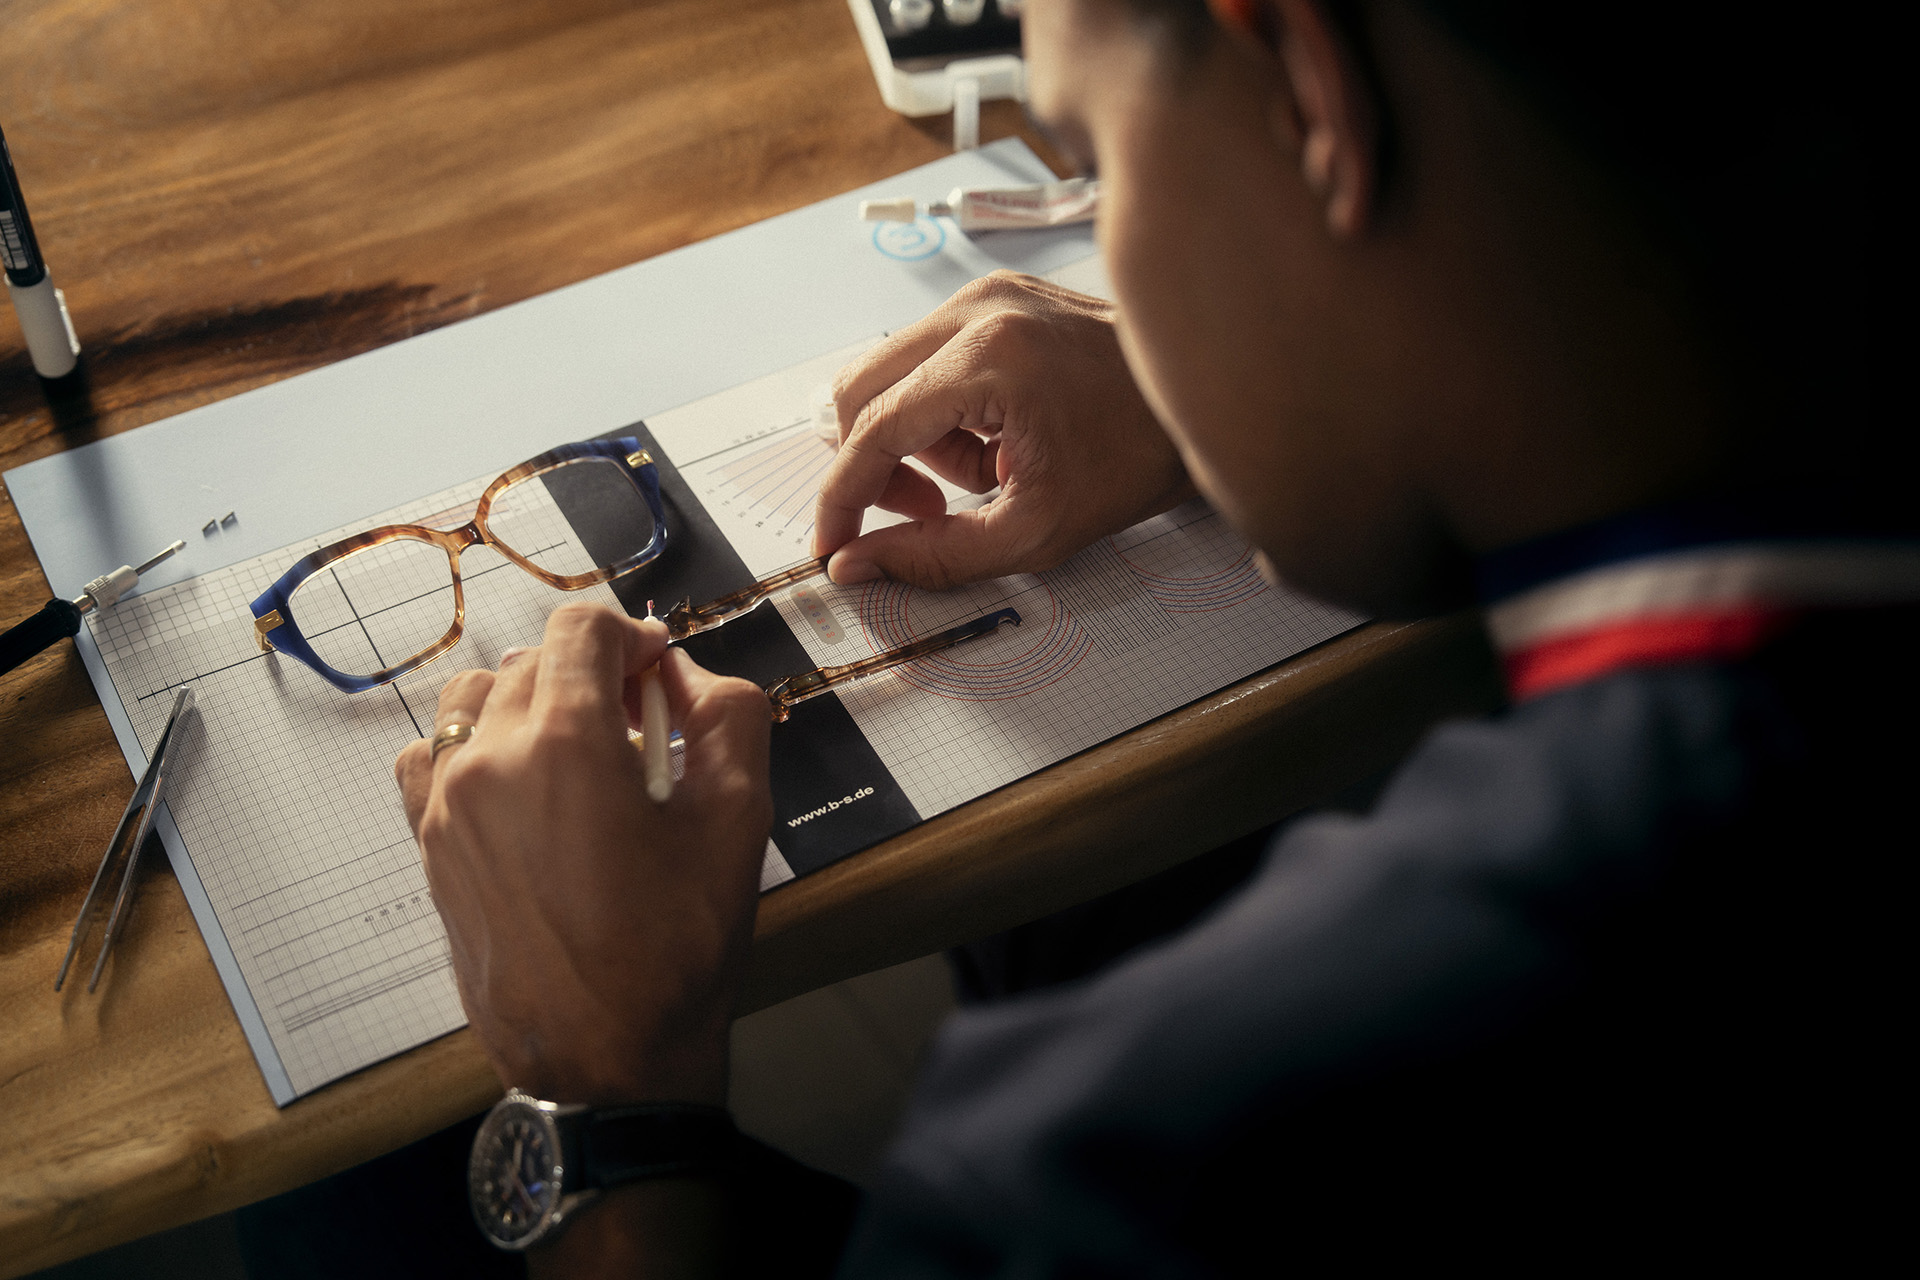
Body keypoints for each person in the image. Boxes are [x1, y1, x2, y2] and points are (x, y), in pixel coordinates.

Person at [389, 0, 1912, 1274]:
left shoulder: (1104, 1157)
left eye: (1102, 157)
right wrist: (1289, 363)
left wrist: (599, 1099)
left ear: (1308, 93)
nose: (1107, 252)